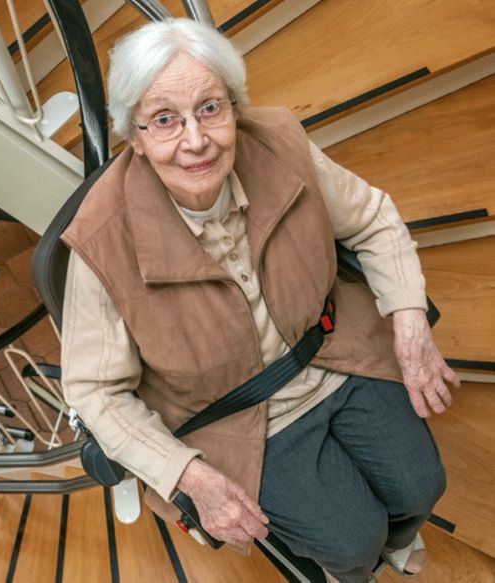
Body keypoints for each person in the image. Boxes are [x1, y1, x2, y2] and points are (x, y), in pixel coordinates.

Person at [59, 18, 459, 583]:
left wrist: (410, 321)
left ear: (234, 107)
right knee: (350, 538)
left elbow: (371, 219)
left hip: (332, 352)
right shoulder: (101, 242)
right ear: (136, 138)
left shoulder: (279, 142)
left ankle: (391, 544)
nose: (195, 140)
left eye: (210, 108)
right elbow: (95, 392)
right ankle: (353, 570)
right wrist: (189, 477)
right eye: (165, 120)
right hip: (232, 417)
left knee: (423, 486)